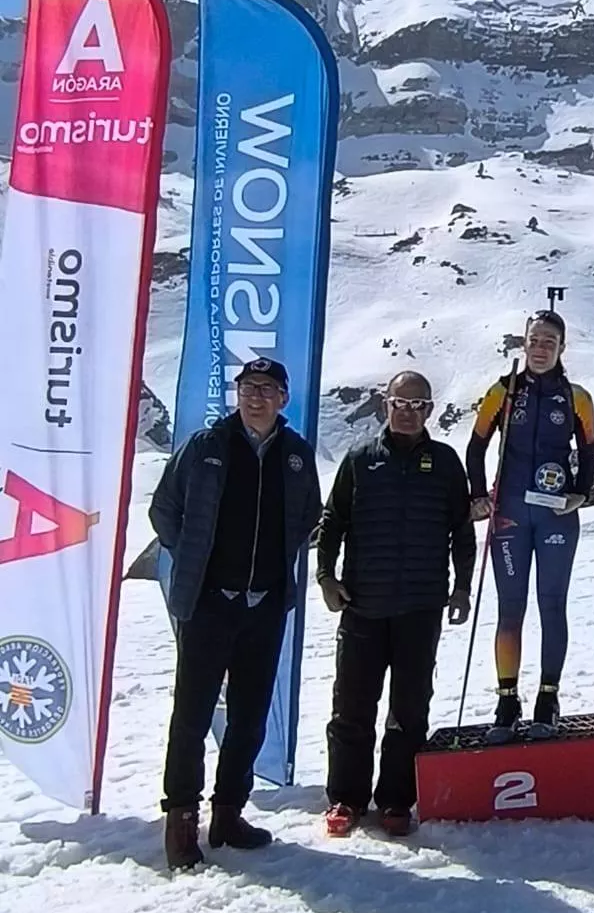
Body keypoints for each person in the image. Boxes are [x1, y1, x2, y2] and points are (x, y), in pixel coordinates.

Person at [151, 356, 323, 873]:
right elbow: (164, 510)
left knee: (249, 716)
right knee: (193, 713)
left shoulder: (295, 454)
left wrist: (276, 568)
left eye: (267, 389)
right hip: (208, 604)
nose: (256, 397)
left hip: (264, 605)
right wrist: (195, 558)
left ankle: (229, 813)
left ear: (283, 399)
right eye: (249, 387)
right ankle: (181, 819)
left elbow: (309, 516)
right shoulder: (207, 447)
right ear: (237, 393)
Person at [316, 370, 475, 837]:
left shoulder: (446, 463)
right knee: (352, 708)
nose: (407, 413)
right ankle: (346, 798)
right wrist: (326, 576)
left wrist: (462, 586)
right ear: (385, 405)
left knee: (409, 710)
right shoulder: (361, 459)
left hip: (421, 608)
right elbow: (332, 521)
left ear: (430, 410)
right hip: (363, 606)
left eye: (417, 405)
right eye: (399, 404)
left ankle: (396, 800)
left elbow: (461, 532)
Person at [467, 310, 594, 732]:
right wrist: (478, 496)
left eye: (549, 342)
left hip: (556, 516)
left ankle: (548, 697)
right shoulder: (503, 391)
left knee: (552, 605)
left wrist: (580, 492)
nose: (540, 349)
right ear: (523, 344)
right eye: (534, 341)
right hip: (510, 515)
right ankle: (507, 701)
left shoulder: (576, 396)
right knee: (510, 609)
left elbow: (590, 452)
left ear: (562, 348)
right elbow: (475, 447)